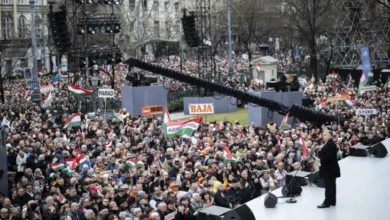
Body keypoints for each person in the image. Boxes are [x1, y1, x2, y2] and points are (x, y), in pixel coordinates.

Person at [317, 130, 341, 208]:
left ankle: (327, 202)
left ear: (330, 135)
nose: (323, 136)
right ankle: (332, 201)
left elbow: (328, 157)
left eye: (325, 134)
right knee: (332, 186)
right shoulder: (328, 144)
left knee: (328, 186)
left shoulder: (330, 144)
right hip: (331, 169)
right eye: (323, 135)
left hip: (329, 169)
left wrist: (320, 160)